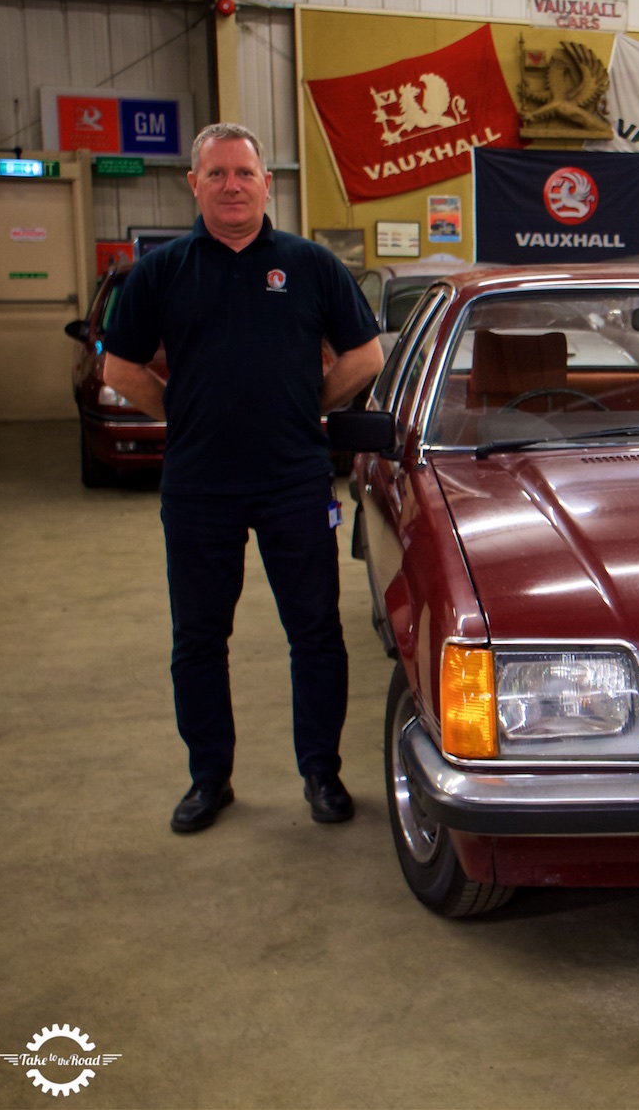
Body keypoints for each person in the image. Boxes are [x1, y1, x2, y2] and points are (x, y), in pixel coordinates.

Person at [104, 123, 383, 835]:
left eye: (245, 173)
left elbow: (365, 355)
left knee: (315, 631)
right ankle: (209, 777)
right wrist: (183, 415)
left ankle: (321, 771)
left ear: (267, 184)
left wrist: (306, 407)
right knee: (198, 638)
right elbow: (120, 367)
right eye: (217, 173)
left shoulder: (311, 264)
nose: (232, 185)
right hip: (198, 489)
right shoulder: (160, 272)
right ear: (193, 184)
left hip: (292, 481)